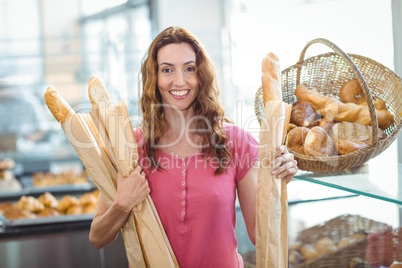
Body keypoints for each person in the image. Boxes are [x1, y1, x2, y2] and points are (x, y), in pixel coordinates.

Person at [89, 26, 298, 267]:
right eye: (167, 70)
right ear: (154, 78)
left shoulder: (235, 142)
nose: (179, 81)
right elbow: (98, 237)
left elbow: (260, 235)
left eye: (189, 69)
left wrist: (277, 183)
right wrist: (121, 204)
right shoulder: (130, 147)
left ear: (202, 76)